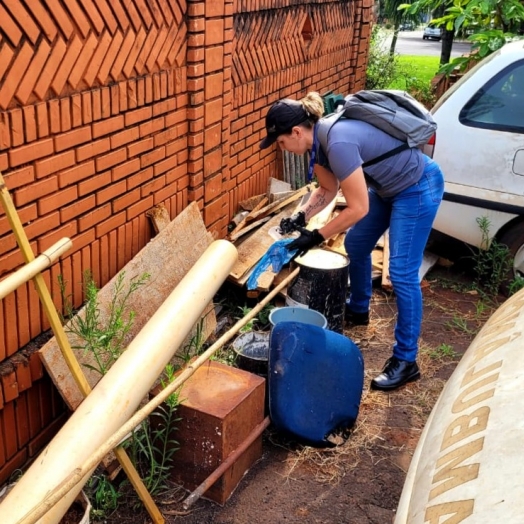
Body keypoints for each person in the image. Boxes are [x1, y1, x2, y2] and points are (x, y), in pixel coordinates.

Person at [259, 92, 445, 391]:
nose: (282, 150)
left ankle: (406, 360)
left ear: (295, 132)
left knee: (401, 274)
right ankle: (359, 308)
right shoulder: (317, 144)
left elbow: (358, 208)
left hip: (416, 186)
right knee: (357, 245)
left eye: (281, 143)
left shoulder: (338, 141)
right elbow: (327, 189)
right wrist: (301, 217)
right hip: (388, 189)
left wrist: (317, 236)